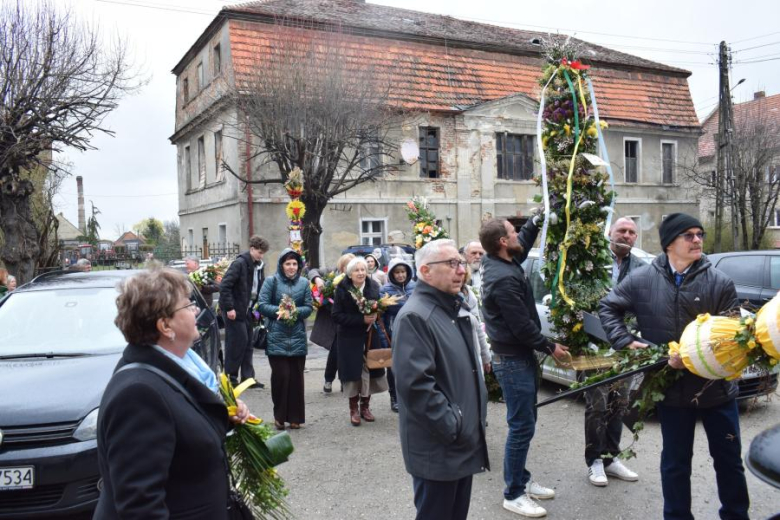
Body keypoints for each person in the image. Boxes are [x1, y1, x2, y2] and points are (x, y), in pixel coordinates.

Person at [599, 213, 750, 520]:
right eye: (689, 235)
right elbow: (608, 307)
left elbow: (734, 336)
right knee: (675, 463)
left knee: (729, 460)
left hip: (717, 390)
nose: (697, 240)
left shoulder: (719, 282)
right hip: (671, 389)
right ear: (669, 243)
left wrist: (695, 356)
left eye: (700, 234)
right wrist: (626, 341)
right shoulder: (642, 279)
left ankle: (736, 515)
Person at [94, 268, 252, 519]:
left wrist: (224, 417)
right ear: (165, 326)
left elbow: (181, 436)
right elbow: (140, 507)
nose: (196, 310)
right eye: (188, 305)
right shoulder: (138, 395)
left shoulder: (178, 367)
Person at [393, 239, 489, 520]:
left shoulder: (452, 308)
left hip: (459, 442)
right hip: (439, 447)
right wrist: (453, 424)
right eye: (451, 264)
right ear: (425, 271)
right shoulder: (415, 316)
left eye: (461, 262)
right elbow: (416, 386)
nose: (461, 270)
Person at [480, 218, 569, 518]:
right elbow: (520, 326)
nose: (518, 234)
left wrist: (537, 218)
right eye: (513, 232)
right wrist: (550, 347)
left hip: (517, 358)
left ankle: (521, 478)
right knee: (521, 427)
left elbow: (524, 242)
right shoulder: (503, 278)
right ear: (503, 242)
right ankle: (514, 493)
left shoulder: (500, 260)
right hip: (513, 361)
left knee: (526, 422)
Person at [581, 216, 641, 487]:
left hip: (625, 347)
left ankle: (610, 458)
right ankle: (594, 460)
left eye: (631, 232)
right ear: (610, 233)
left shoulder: (641, 268)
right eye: (622, 230)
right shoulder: (591, 262)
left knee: (619, 403)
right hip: (595, 344)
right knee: (597, 406)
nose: (626, 235)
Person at [258, 248, 313, 430]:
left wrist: (294, 312)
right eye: (288, 263)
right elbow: (262, 304)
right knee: (281, 377)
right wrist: (281, 311)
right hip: (276, 336)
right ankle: (280, 416)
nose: (291, 267)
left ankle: (296, 417)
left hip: (297, 337)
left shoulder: (304, 283)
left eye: (294, 264)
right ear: (281, 265)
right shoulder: (271, 281)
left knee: (296, 379)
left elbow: (309, 307)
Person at [332, 256, 388, 426]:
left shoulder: (373, 287)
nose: (361, 273)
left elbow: (380, 308)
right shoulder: (342, 290)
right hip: (349, 339)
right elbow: (336, 315)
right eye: (356, 270)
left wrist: (376, 314)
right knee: (353, 374)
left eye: (363, 269)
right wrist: (361, 320)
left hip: (369, 336)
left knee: (369, 370)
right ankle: (353, 410)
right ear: (350, 274)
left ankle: (365, 407)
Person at [219, 235, 269, 387]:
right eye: (259, 252)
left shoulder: (258, 266)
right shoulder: (240, 263)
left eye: (263, 253)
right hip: (234, 310)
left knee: (248, 343)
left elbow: (257, 287)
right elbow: (225, 286)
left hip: (247, 309)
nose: (261, 256)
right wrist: (229, 308)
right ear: (252, 249)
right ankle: (230, 379)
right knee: (236, 343)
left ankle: (248, 379)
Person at [309, 253, 355, 393]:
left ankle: (339, 380)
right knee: (336, 351)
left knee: (343, 352)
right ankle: (331, 380)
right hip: (332, 319)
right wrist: (318, 279)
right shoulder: (331, 273)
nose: (350, 269)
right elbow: (312, 271)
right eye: (347, 266)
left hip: (347, 321)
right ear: (341, 266)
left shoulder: (355, 279)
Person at [380, 257, 417, 412]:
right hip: (394, 333)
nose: (401, 275)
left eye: (403, 272)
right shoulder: (385, 290)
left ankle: (411, 396)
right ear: (391, 274)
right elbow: (381, 317)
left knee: (413, 366)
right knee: (393, 367)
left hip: (414, 332)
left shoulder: (415, 286)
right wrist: (383, 338)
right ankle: (394, 397)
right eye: (397, 272)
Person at [459, 262, 491, 374]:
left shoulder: (470, 295)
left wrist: (485, 357)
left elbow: (478, 329)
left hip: (474, 351)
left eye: (463, 275)